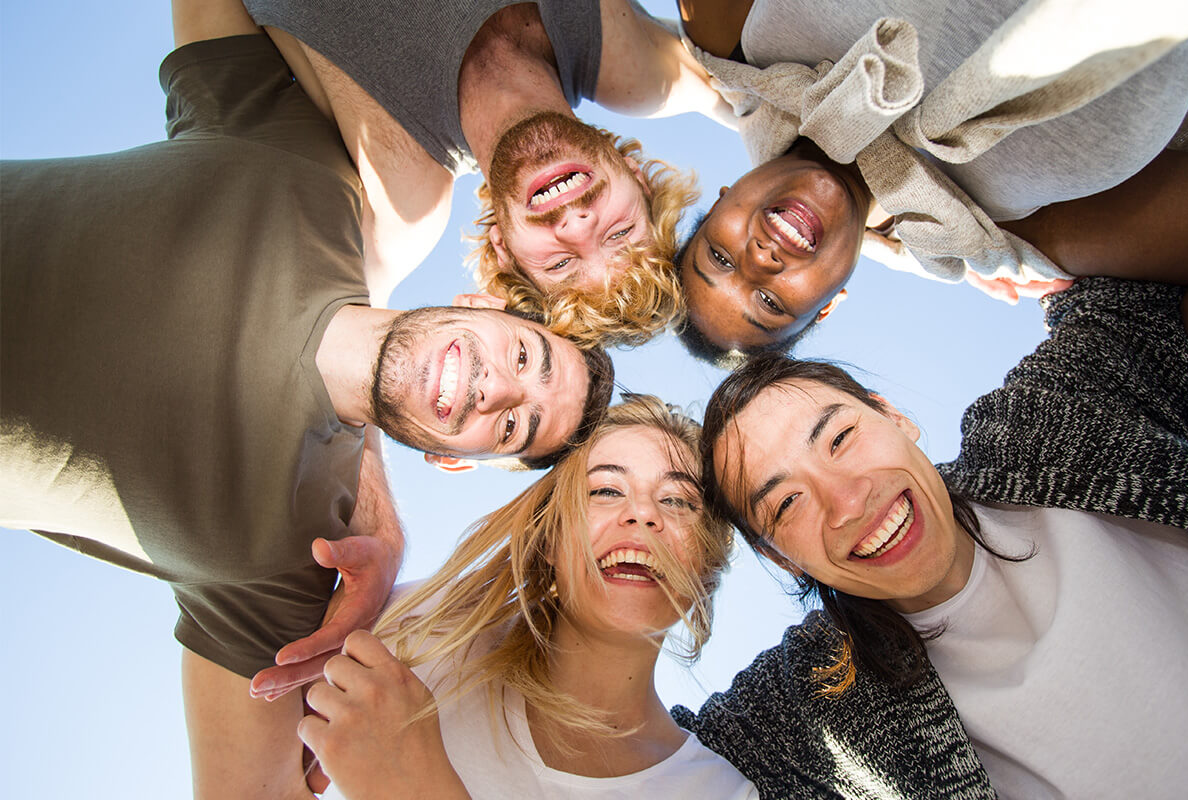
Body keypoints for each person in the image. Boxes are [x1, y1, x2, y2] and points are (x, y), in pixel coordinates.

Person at [0, 4, 614, 796]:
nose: (499, 389)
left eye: (512, 426)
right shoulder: (305, 175)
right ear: (484, 305)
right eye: (526, 357)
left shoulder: (291, 567)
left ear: (452, 461)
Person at [674, 217, 1188, 793]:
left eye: (839, 439)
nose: (847, 500)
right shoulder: (808, 701)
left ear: (895, 417)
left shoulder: (1047, 430)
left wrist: (933, 226)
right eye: (786, 505)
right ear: (782, 559)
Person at [674, 0, 1188, 359]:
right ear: (829, 309)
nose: (758, 262)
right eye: (772, 303)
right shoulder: (1002, 233)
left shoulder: (735, 43)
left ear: (722, 197)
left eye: (720, 257)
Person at [293, 395, 757, 799]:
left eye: (678, 501)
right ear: (550, 541)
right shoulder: (416, 633)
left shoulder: (718, 792)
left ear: (708, 566)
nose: (641, 513)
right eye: (606, 490)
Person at [241, 0, 734, 346]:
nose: (579, 227)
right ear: (638, 178)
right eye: (620, 232)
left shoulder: (401, 195)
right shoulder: (635, 64)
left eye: (560, 265)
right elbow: (765, 100)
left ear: (503, 249)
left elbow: (336, 331)